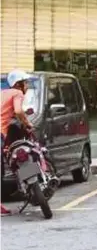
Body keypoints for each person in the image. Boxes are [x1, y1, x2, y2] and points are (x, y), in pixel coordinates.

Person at [1, 69, 34, 216]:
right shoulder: (17, 93)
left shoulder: (3, 93)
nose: (27, 86)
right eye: (26, 83)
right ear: (19, 84)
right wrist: (27, 124)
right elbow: (19, 111)